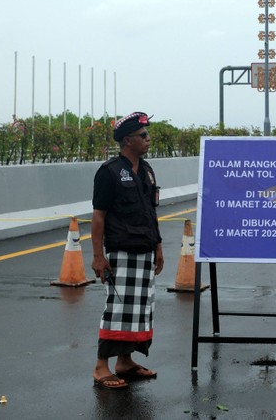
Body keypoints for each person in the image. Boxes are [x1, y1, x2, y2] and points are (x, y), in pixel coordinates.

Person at [91, 111, 164, 389]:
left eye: (147, 135)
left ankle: (125, 361)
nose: (148, 139)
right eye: (143, 136)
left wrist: (158, 246)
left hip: (145, 249)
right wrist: (98, 256)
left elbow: (151, 210)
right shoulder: (108, 172)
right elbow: (99, 216)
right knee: (118, 307)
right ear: (127, 140)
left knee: (140, 309)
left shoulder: (146, 170)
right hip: (122, 251)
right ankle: (101, 366)